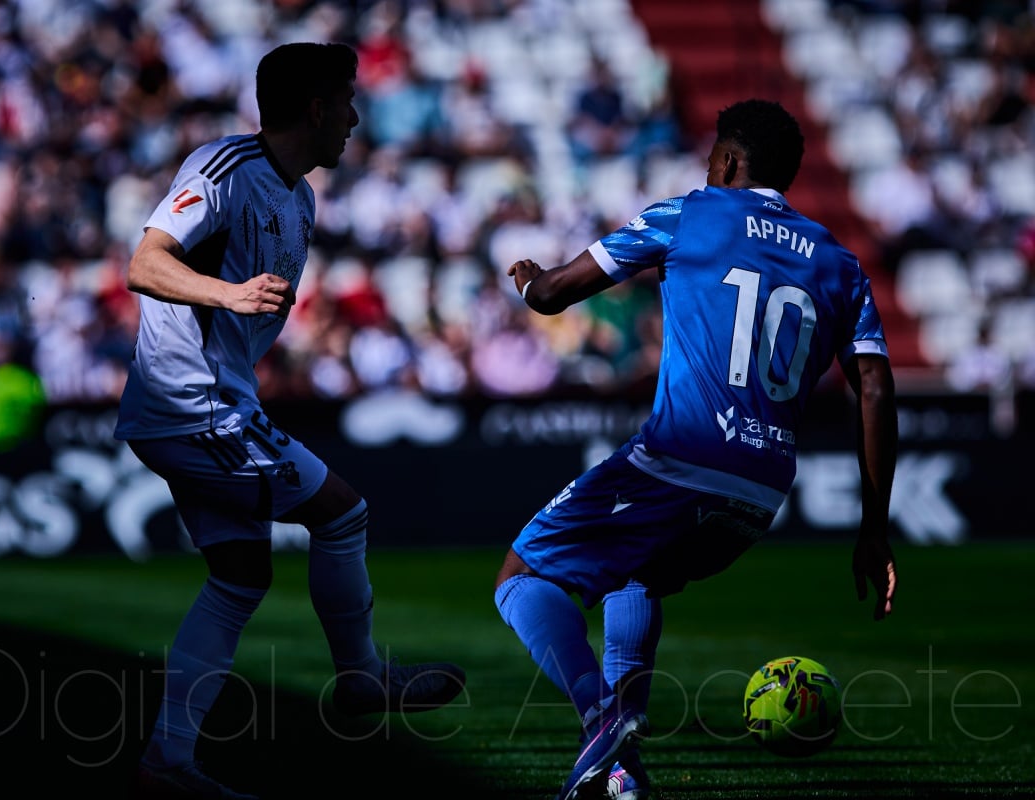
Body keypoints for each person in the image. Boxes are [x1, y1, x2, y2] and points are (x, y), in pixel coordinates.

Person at [493, 99, 898, 800]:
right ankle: (622, 773)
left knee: (521, 575)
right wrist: (874, 526)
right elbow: (876, 389)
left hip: (681, 455)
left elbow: (555, 296)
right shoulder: (841, 263)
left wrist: (528, 279)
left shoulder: (688, 214)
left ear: (730, 162)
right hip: (762, 488)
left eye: (712, 158)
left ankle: (600, 714)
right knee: (635, 576)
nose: (707, 169)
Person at [114, 42, 466, 799]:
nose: (355, 119)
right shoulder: (223, 169)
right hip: (192, 407)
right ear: (316, 108)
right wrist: (227, 294)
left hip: (209, 402)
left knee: (240, 576)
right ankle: (362, 677)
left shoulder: (299, 197)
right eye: (347, 102)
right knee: (342, 514)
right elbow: (144, 263)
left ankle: (166, 761)